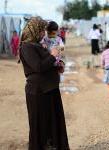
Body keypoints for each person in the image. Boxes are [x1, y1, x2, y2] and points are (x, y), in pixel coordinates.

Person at [19, 17, 69, 150]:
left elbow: (46, 64)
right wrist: (52, 55)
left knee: (52, 124)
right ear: (35, 31)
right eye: (41, 30)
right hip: (38, 92)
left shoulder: (37, 45)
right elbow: (38, 67)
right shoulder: (27, 46)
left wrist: (57, 67)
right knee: (40, 125)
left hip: (49, 89)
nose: (43, 33)